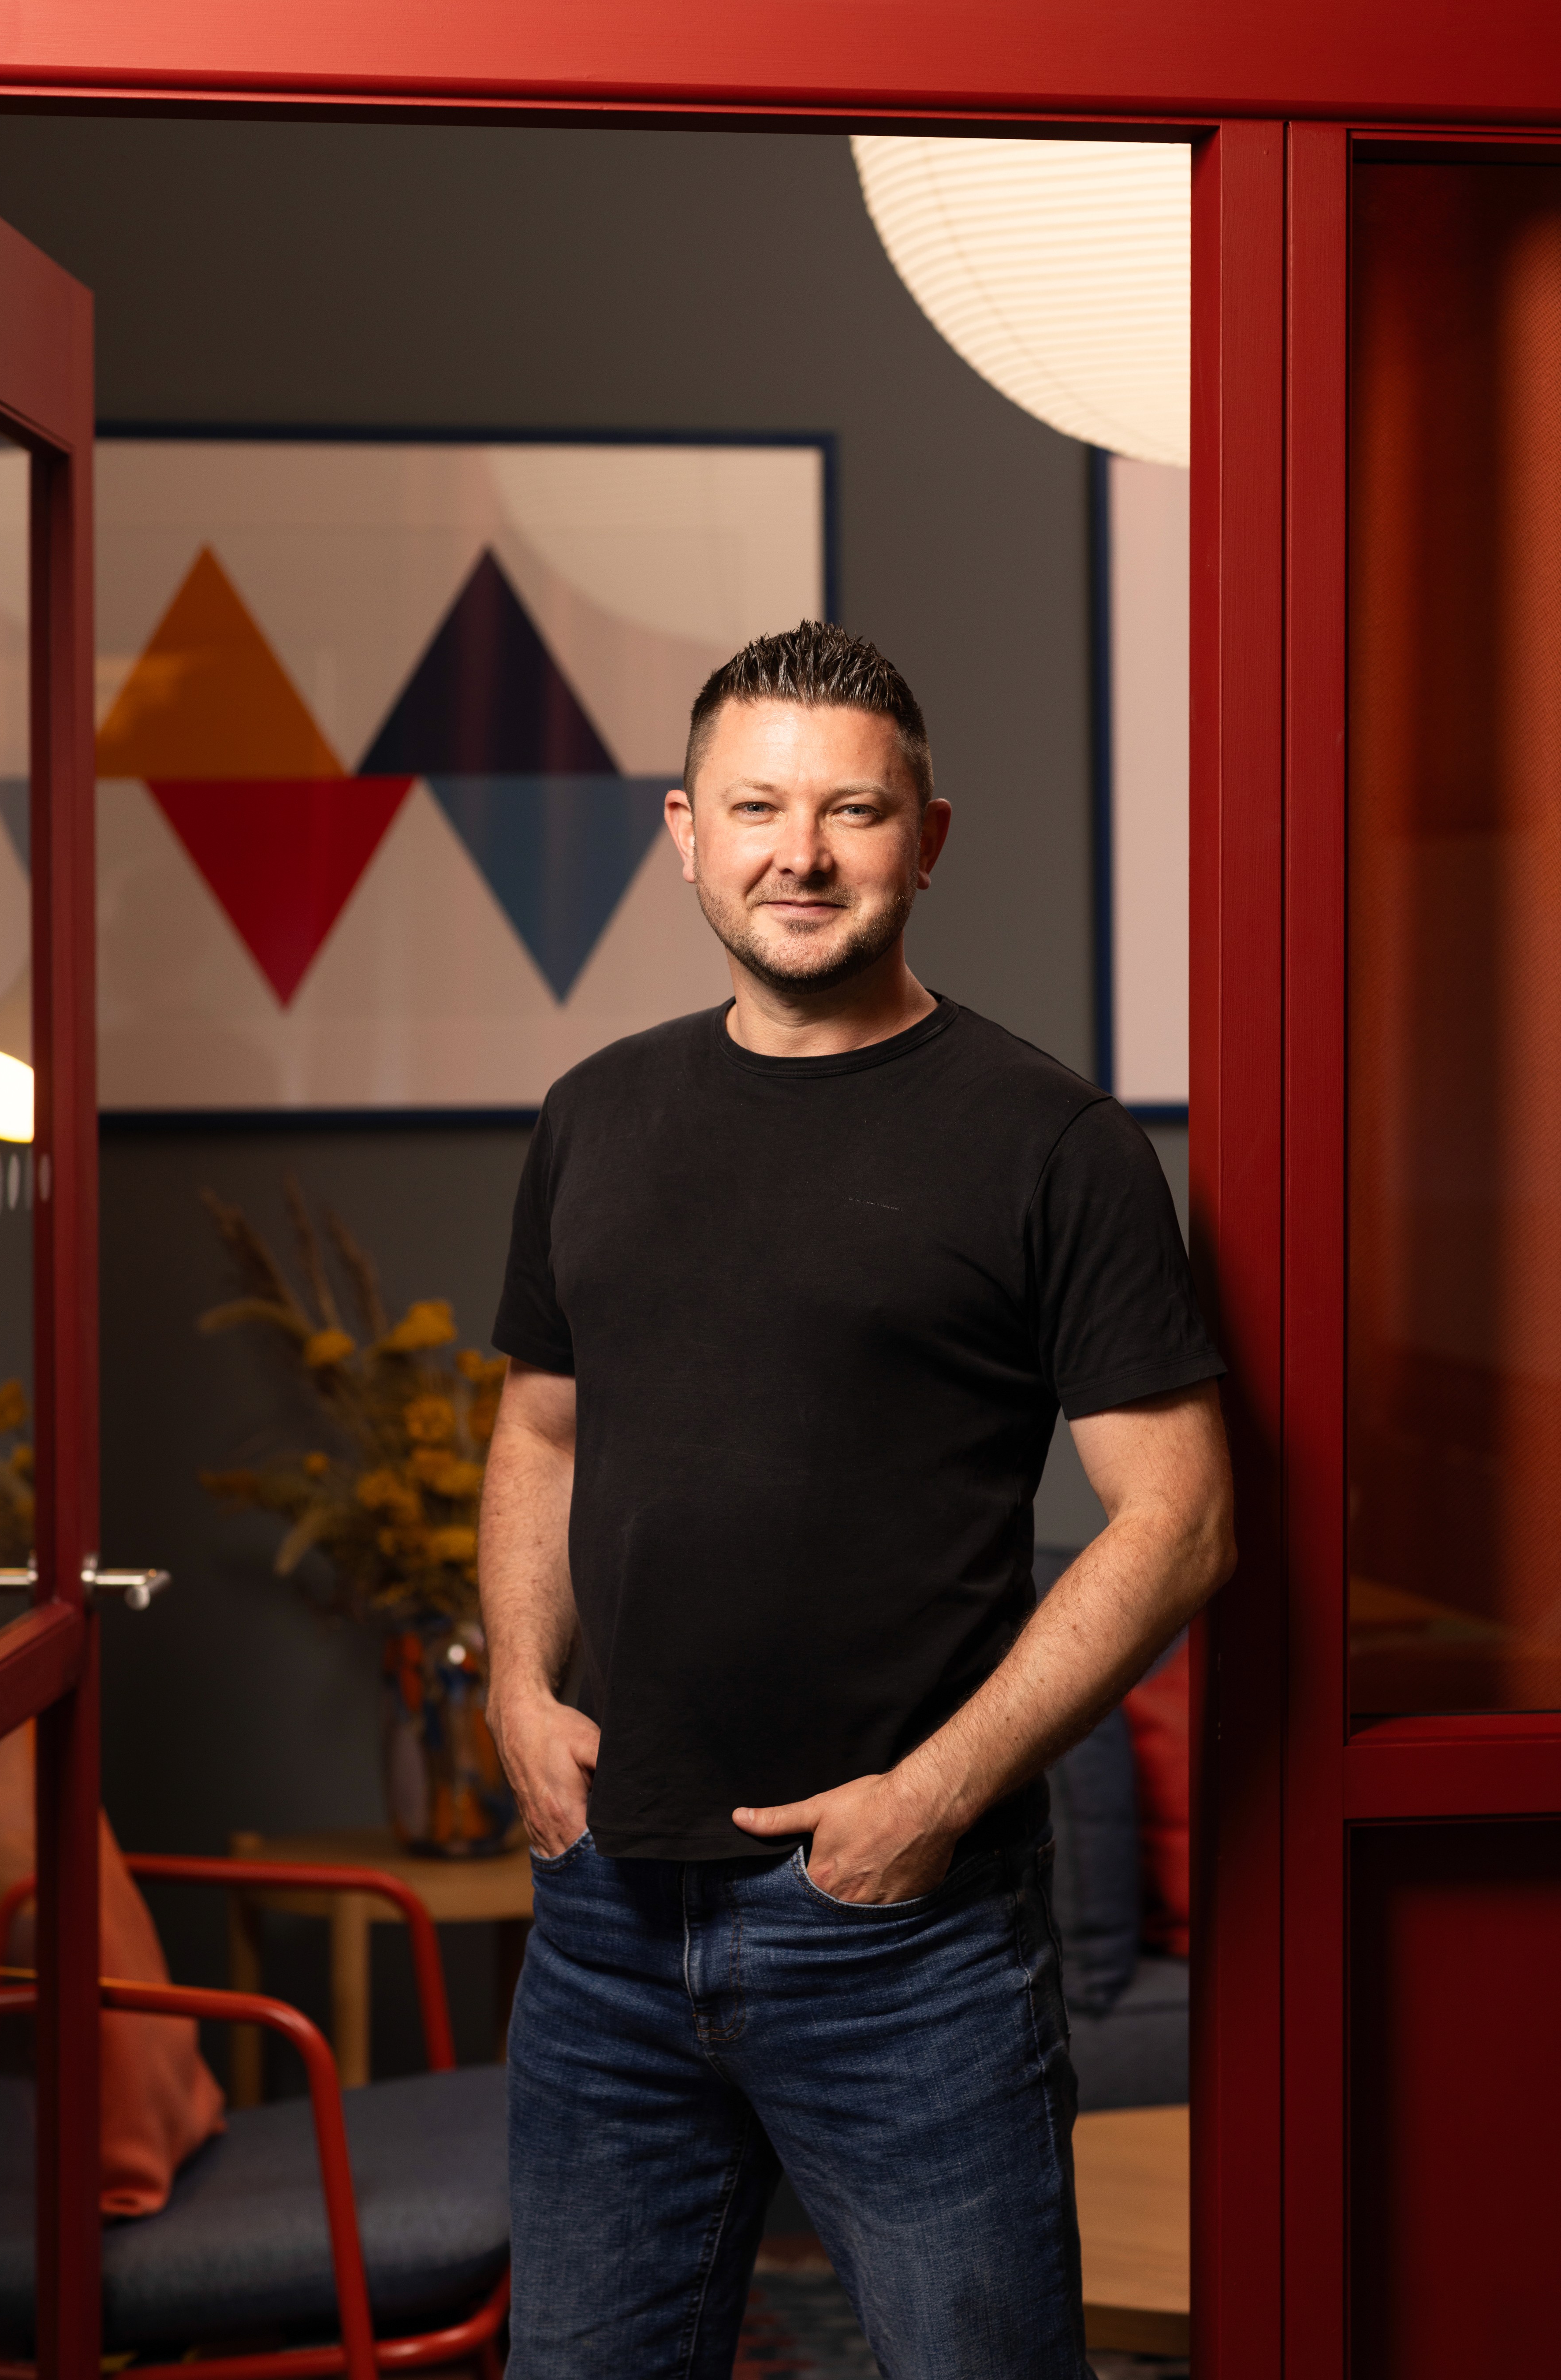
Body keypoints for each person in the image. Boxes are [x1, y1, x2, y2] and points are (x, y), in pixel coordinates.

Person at [480, 621, 1233, 2380]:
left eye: (851, 812)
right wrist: (518, 1687)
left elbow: (1180, 1517)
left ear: (929, 836)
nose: (797, 854)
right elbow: (540, 1434)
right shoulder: (595, 1115)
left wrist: (928, 1795)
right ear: (683, 829)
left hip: (901, 1932)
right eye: (753, 806)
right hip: (603, 1922)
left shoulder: (1048, 1142)